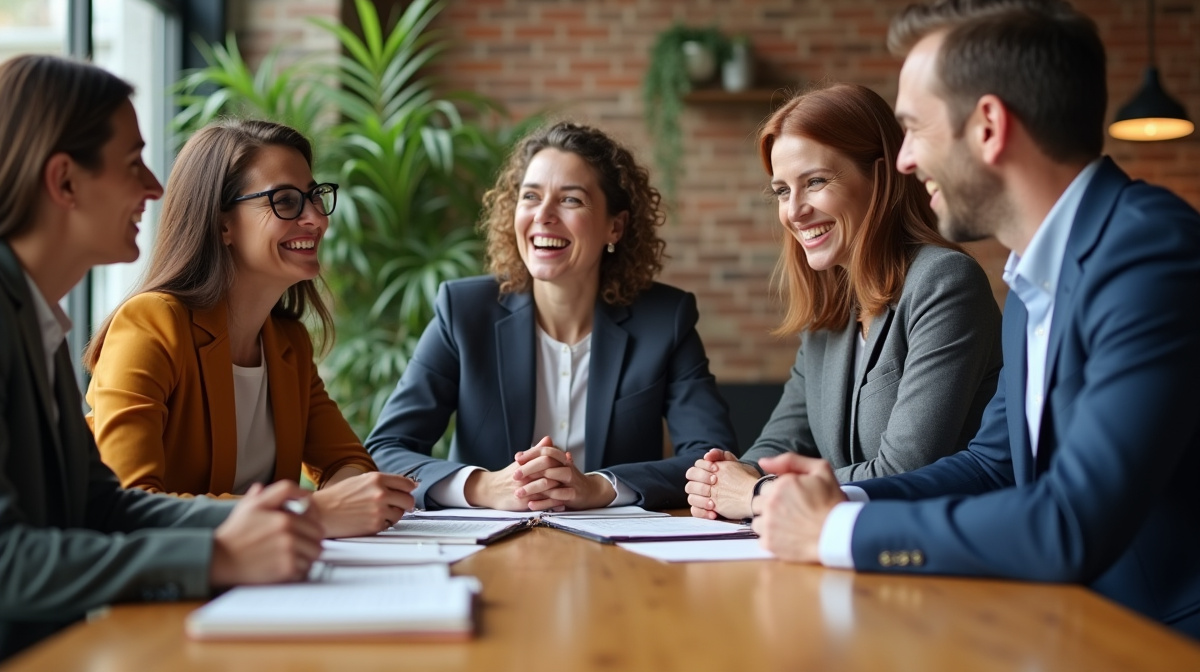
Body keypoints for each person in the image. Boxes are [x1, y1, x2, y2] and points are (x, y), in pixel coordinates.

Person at [751, 0, 1200, 639]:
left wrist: (839, 529)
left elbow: (1070, 523)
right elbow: (993, 465)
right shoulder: (1027, 283)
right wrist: (838, 497)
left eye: (913, 129)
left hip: (1159, 638)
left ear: (988, 126)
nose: (903, 160)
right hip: (1065, 624)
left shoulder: (1149, 252)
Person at [0, 55, 326, 660]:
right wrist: (221, 553)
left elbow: (101, 505)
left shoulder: (32, 319)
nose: (155, 187)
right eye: (132, 165)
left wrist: (267, 519)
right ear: (65, 181)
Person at [366, 121, 738, 511]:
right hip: (486, 550)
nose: (543, 215)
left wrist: (600, 487)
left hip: (615, 552)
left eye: (571, 200)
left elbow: (713, 459)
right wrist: (483, 487)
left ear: (616, 226)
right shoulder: (463, 312)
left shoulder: (665, 320)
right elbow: (386, 449)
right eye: (530, 196)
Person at [685, 83, 1002, 521]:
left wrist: (760, 492)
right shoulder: (831, 307)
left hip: (936, 557)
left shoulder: (944, 282)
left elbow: (904, 470)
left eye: (814, 182)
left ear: (882, 176)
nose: (793, 211)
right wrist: (725, 478)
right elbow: (778, 445)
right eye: (781, 190)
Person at [85, 119, 415, 538]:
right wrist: (309, 511)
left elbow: (347, 464)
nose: (316, 218)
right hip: (160, 591)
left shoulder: (287, 343)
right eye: (286, 201)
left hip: (260, 583)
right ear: (223, 224)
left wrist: (351, 498)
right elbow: (130, 502)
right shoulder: (150, 323)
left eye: (315, 197)